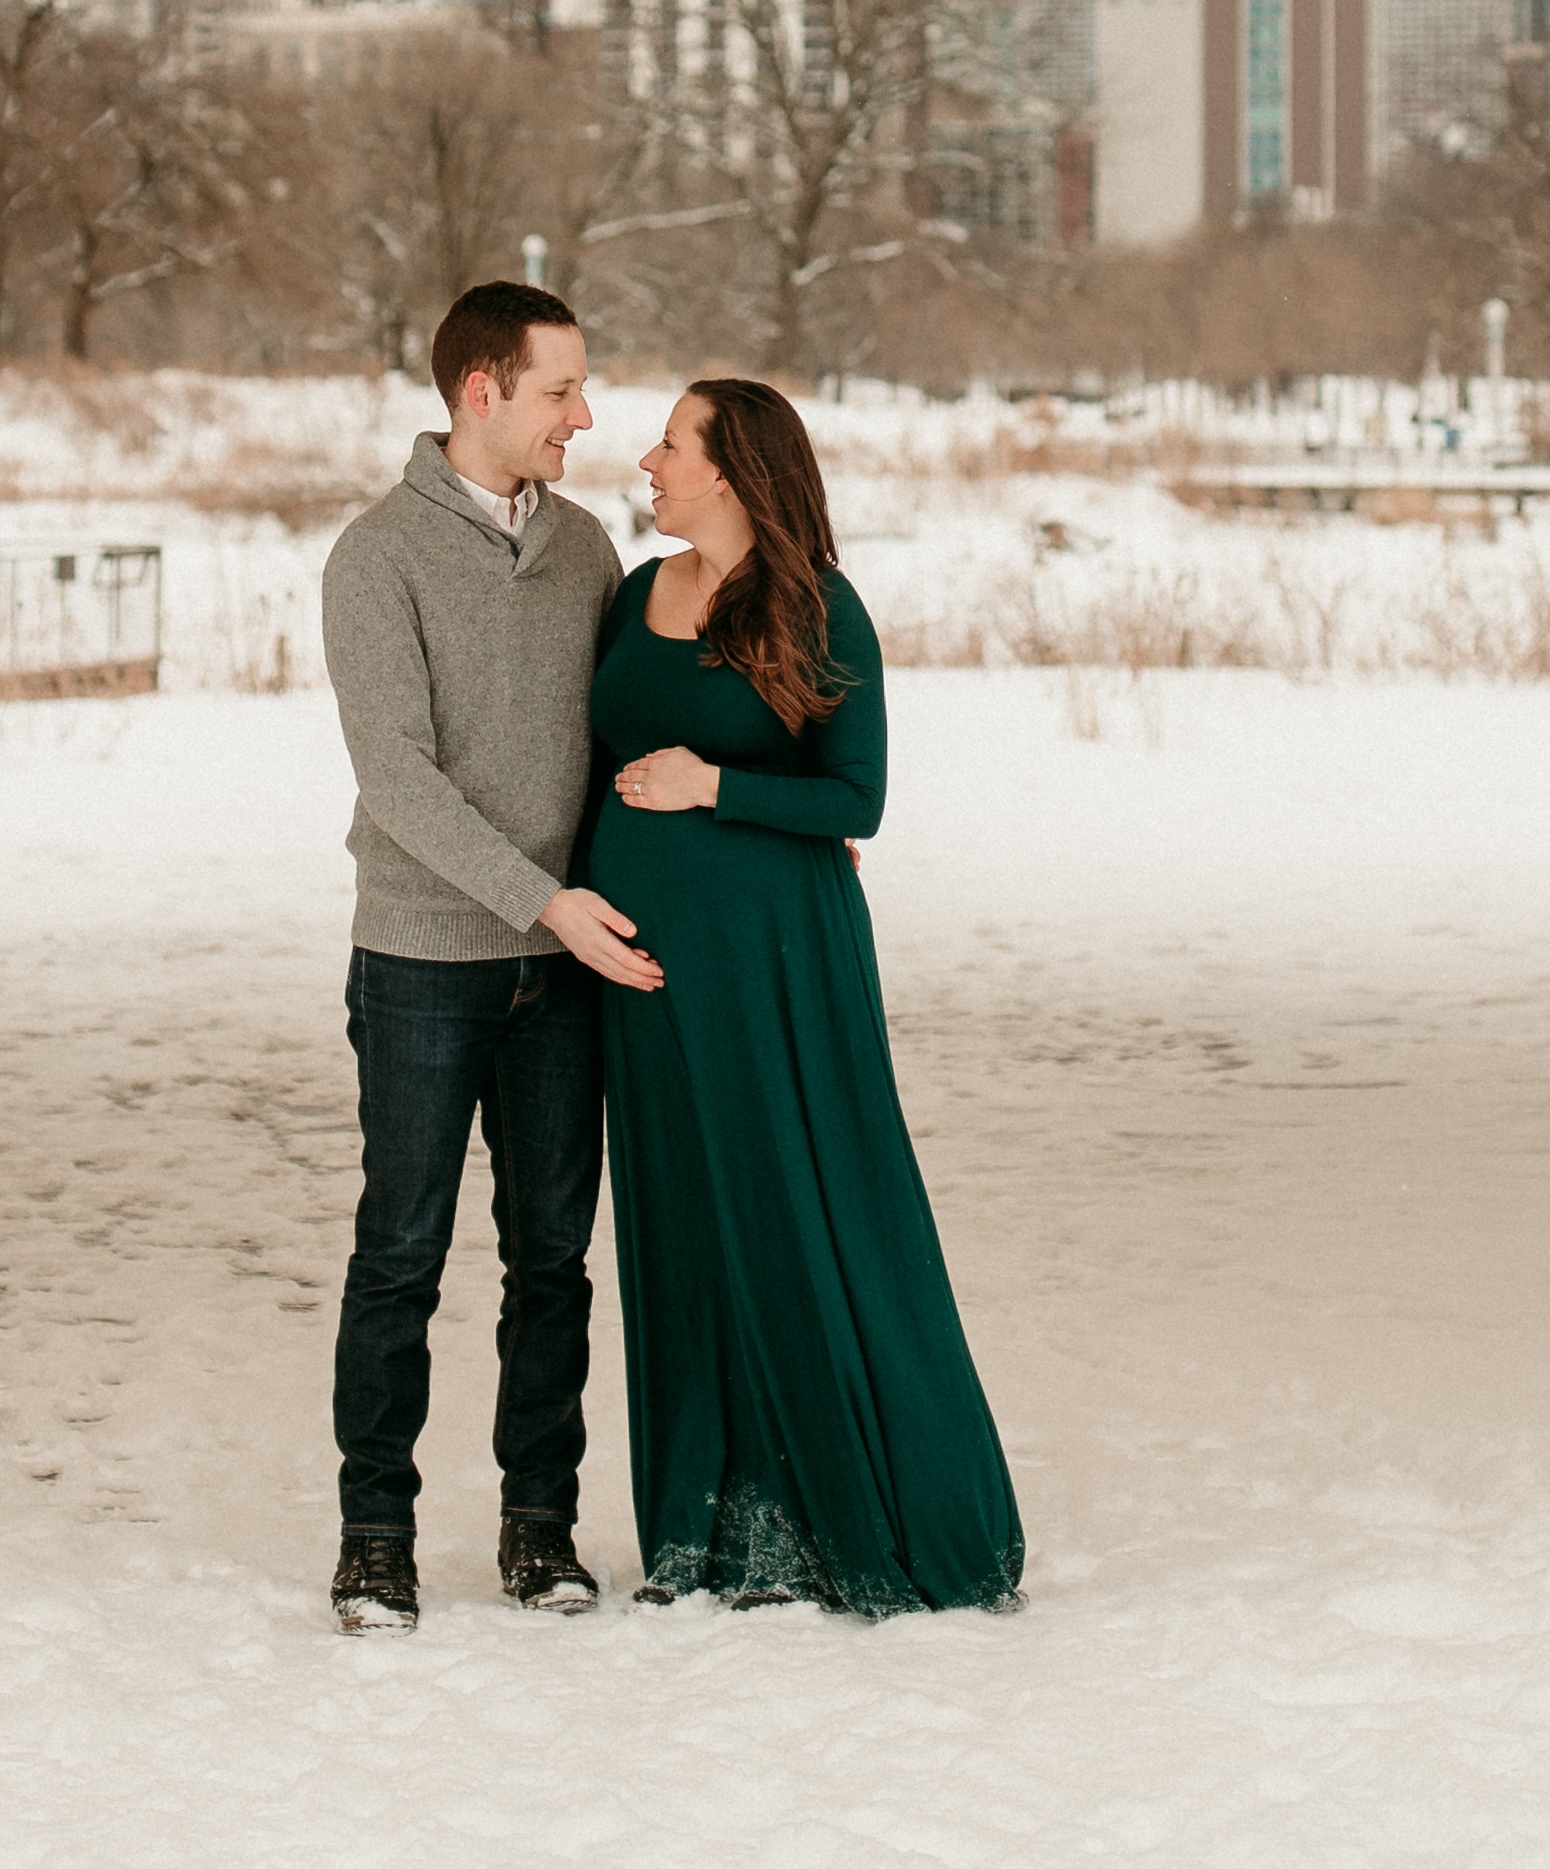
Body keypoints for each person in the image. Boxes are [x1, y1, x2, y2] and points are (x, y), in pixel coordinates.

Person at [589, 378, 1022, 1615]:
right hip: (648, 972)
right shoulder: (634, 592)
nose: (648, 460)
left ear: (729, 470)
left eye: (671, 442)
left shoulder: (821, 608)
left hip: (778, 965)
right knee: (680, 1224)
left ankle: (857, 1510)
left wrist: (715, 788)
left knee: (806, 1209)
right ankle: (705, 1529)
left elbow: (856, 800)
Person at [314, 280, 658, 1635]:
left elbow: (630, 738)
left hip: (559, 969)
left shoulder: (585, 552)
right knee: (399, 1251)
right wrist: (542, 900)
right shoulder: (375, 557)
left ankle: (539, 1527)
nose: (586, 413)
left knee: (553, 1258)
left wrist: (764, 835)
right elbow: (396, 775)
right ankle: (373, 1536)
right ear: (481, 393)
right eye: (561, 388)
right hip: (420, 957)